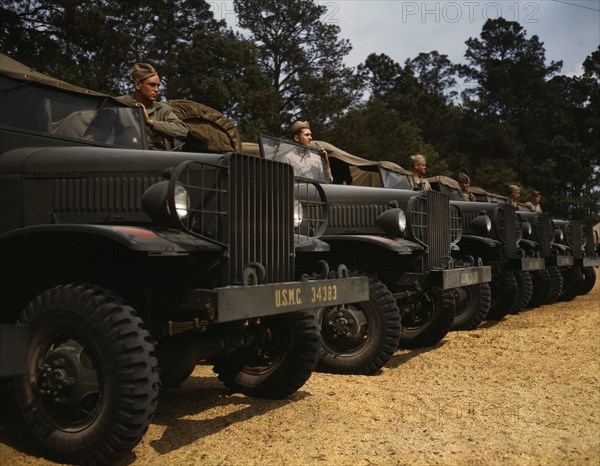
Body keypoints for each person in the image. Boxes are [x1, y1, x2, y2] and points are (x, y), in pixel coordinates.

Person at [117, 63, 188, 150]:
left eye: (158, 86)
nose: (156, 90)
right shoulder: (118, 105)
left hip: (156, 159)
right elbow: (99, 136)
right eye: (152, 85)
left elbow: (182, 130)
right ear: (138, 84)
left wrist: (151, 122)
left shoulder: (162, 109)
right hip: (126, 156)